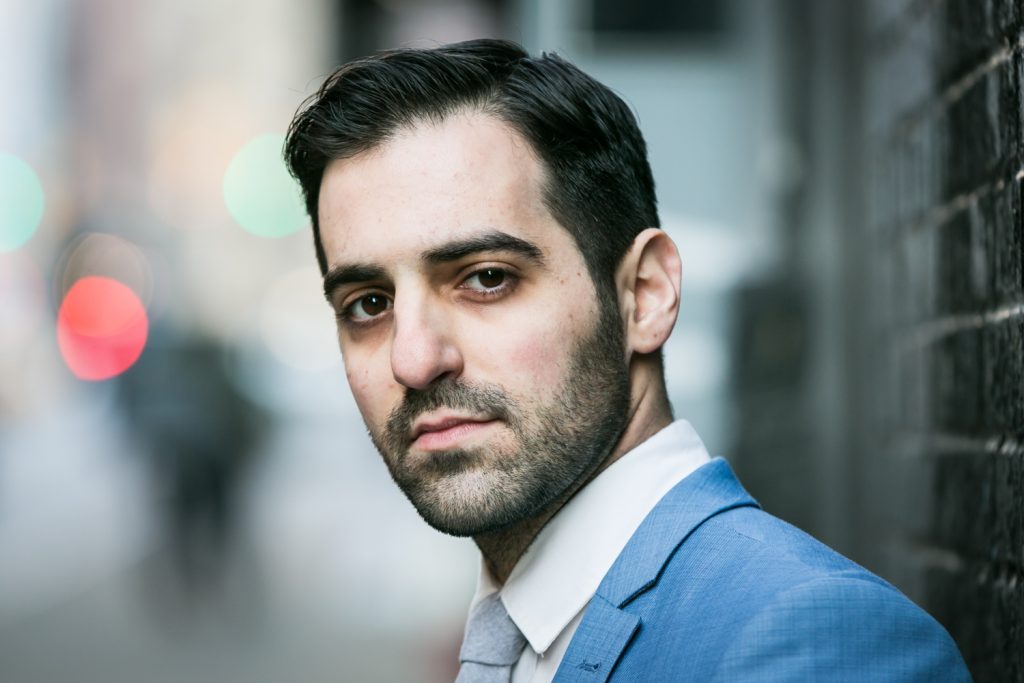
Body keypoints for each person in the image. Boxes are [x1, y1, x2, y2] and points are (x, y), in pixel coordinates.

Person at [284, 39, 970, 682]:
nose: (413, 357)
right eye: (368, 303)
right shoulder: (518, 633)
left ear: (644, 296)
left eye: (486, 277)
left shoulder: (814, 641)